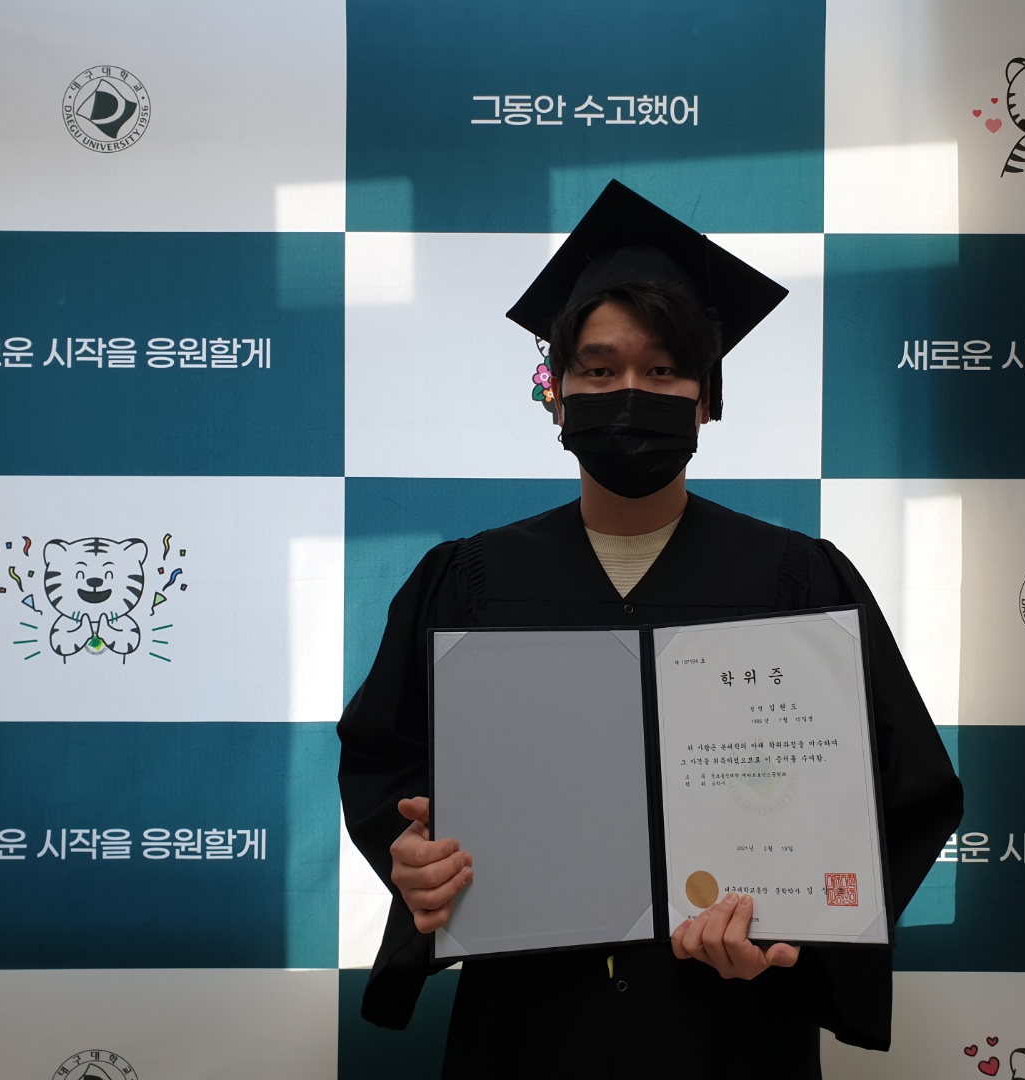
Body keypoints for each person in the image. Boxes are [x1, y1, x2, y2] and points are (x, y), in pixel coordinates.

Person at [338, 180, 963, 1077]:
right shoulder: (470, 581)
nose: (630, 393)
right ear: (555, 395)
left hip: (730, 1023)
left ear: (707, 398)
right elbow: (385, 762)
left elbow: (906, 790)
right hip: (528, 1019)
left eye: (663, 369)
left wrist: (795, 934)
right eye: (598, 371)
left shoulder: (796, 580)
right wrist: (411, 857)